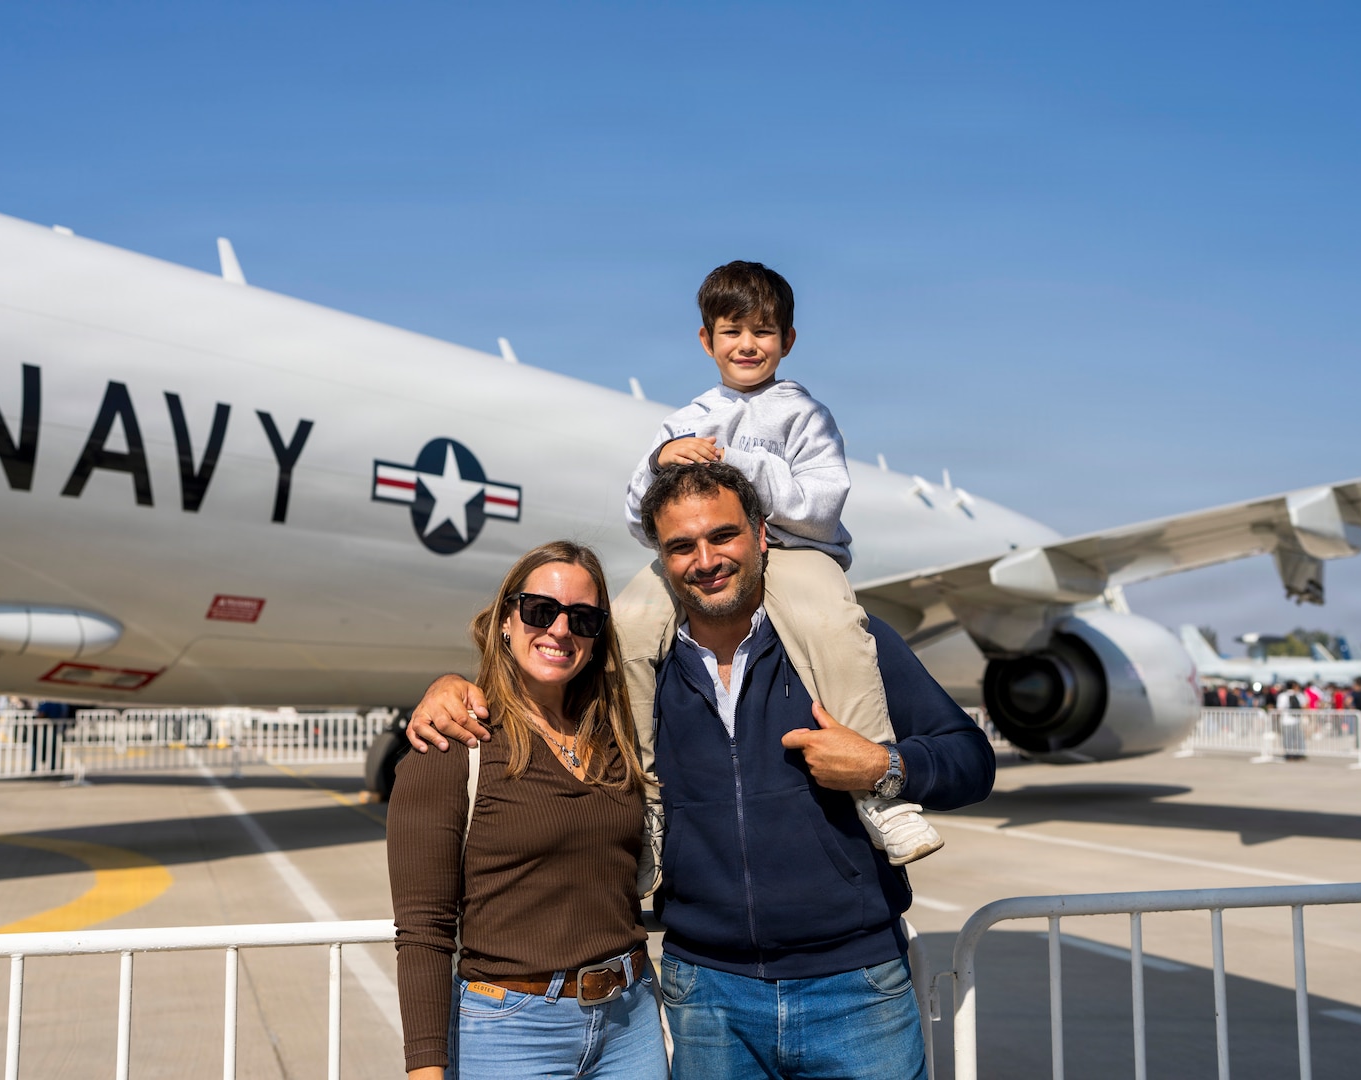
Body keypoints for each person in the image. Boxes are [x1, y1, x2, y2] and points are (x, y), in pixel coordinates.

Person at [410, 465, 995, 1079]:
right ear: (662, 562)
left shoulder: (846, 644)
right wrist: (452, 688)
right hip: (709, 998)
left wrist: (884, 765)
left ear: (762, 535)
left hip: (856, 987)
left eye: (723, 536)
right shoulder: (632, 678)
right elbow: (535, 684)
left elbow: (970, 760)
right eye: (681, 546)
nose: (706, 559)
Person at [616, 260, 938, 869]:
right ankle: (647, 805)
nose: (747, 345)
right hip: (710, 548)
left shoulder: (804, 415)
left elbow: (821, 508)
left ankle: (878, 792)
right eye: (731, 331)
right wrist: (661, 460)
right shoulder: (682, 421)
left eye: (762, 332)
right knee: (628, 622)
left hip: (794, 552)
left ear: (787, 341)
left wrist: (738, 466)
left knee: (833, 624)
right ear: (706, 340)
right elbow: (639, 519)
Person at [386, 541, 667, 1080]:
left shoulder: (615, 739)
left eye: (583, 618)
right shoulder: (454, 747)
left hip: (631, 1024)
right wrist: (425, 1070)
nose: (560, 630)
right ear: (506, 621)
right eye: (541, 611)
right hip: (510, 1033)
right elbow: (423, 931)